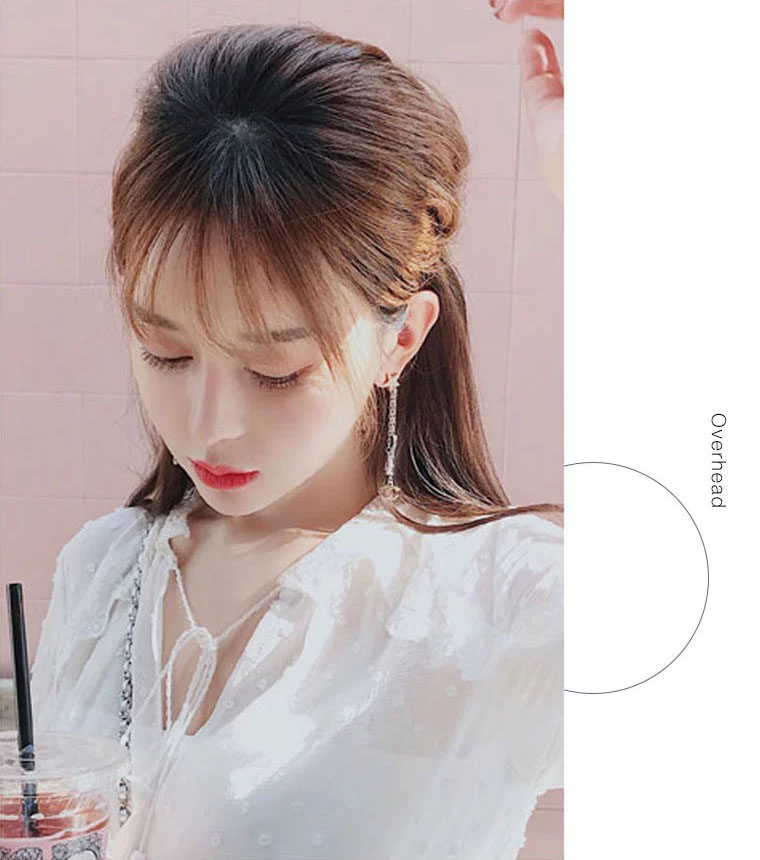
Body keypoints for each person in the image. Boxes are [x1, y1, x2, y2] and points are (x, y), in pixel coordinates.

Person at [29, 21, 563, 860]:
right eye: (166, 352)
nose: (208, 425)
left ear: (401, 338)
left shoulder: (498, 598)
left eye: (275, 370)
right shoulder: (101, 570)